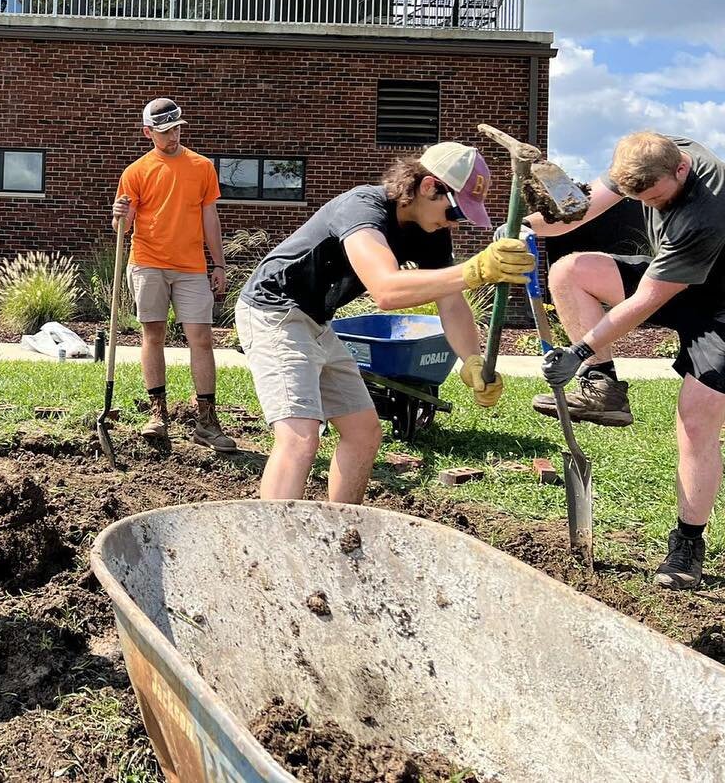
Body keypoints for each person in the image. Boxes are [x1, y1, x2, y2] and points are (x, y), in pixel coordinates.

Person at [235, 142, 534, 503]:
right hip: (275, 312)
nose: (455, 223)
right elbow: (386, 290)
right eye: (455, 212)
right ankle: (272, 552)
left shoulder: (431, 233)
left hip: (315, 322)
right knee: (300, 437)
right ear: (428, 187)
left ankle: (343, 530)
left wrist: (473, 359)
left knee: (363, 432)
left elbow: (451, 301)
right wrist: (475, 270)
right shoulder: (363, 207)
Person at [528, 132, 725, 589]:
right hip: (679, 279)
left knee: (696, 421)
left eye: (655, 198)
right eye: (641, 199)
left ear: (681, 170)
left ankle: (687, 544)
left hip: (719, 310)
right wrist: (528, 226)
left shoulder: (707, 213)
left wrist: (577, 352)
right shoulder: (646, 158)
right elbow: (577, 210)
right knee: (569, 271)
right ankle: (603, 388)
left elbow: (645, 303)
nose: (651, 206)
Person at [112, 98, 238, 452]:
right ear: (148, 132)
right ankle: (158, 415)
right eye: (165, 131)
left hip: (191, 268)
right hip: (148, 262)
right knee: (153, 335)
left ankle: (207, 422)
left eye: (177, 129)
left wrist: (219, 263)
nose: (173, 136)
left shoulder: (201, 167)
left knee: (202, 338)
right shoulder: (136, 171)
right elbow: (123, 227)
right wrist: (119, 213)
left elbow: (210, 218)